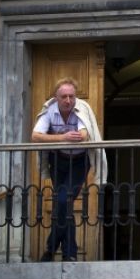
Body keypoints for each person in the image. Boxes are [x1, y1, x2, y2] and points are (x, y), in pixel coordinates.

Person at [32, 77, 106, 262]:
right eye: (64, 96)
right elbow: (35, 136)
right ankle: (69, 254)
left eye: (71, 96)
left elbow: (84, 134)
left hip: (80, 161)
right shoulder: (49, 111)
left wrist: (57, 136)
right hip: (58, 160)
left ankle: (51, 248)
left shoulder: (82, 109)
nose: (68, 101)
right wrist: (63, 137)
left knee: (64, 199)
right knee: (63, 204)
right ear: (56, 98)